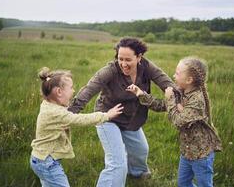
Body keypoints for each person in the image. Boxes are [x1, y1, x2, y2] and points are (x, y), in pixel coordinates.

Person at [68, 38, 176, 187]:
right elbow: (88, 90)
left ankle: (137, 174)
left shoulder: (147, 67)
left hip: (132, 118)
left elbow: (166, 83)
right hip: (108, 117)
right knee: (118, 163)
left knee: (141, 150)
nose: (123, 64)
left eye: (128, 59)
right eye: (120, 59)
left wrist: (179, 99)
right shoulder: (110, 71)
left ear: (139, 57)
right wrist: (68, 115)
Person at [126, 57, 222, 187]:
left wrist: (171, 100)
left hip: (201, 154)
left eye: (177, 73)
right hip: (187, 151)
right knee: (183, 184)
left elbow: (178, 121)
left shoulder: (197, 100)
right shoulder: (181, 92)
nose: (173, 76)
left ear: (189, 80)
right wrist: (140, 94)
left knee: (204, 184)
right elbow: (161, 105)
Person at [30, 67, 123, 187]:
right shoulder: (57, 113)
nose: (73, 91)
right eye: (71, 88)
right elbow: (80, 119)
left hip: (40, 158)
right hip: (47, 163)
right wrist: (107, 115)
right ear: (59, 92)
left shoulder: (48, 105)